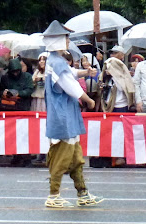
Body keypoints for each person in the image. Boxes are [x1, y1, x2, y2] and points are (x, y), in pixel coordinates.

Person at [43, 20, 103, 208]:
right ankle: (53, 195)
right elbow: (71, 86)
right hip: (63, 116)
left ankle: (82, 192)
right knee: (63, 157)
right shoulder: (57, 62)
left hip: (66, 115)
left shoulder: (56, 61)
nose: (68, 41)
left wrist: (86, 71)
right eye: (66, 38)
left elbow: (72, 74)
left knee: (76, 157)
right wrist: (89, 100)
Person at [99, 46, 134, 113]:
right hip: (108, 104)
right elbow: (101, 83)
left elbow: (122, 87)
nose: (112, 55)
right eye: (111, 53)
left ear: (122, 55)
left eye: (115, 53)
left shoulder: (124, 70)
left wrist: (114, 74)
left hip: (121, 104)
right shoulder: (107, 69)